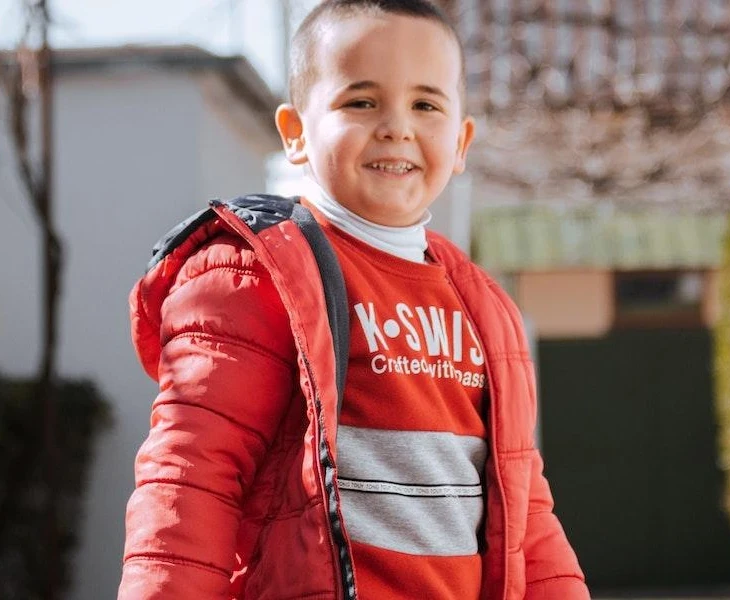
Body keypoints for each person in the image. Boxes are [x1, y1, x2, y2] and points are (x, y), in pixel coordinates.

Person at [118, 1, 589, 598]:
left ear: (462, 140)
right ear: (295, 133)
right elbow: (192, 479)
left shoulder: (484, 307)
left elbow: (526, 511)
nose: (397, 126)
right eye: (361, 101)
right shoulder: (255, 275)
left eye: (426, 104)